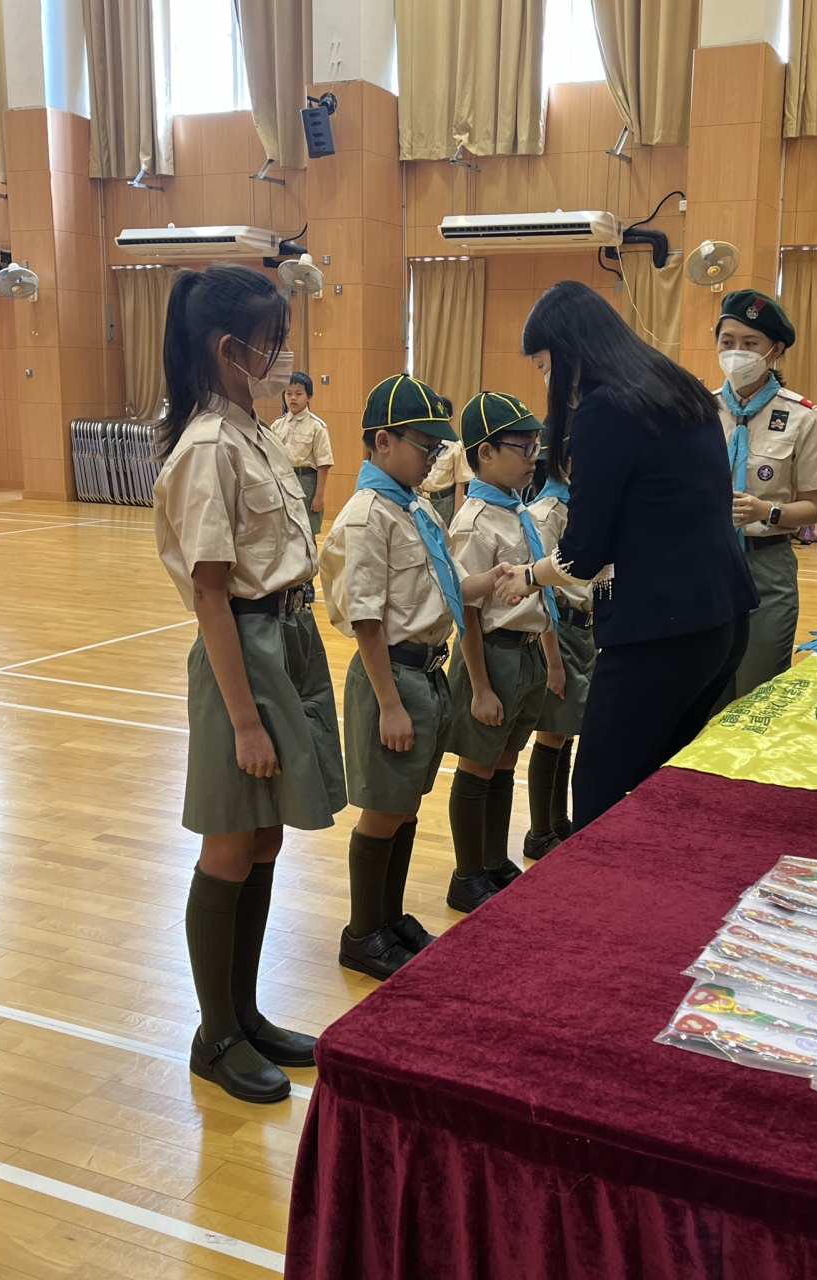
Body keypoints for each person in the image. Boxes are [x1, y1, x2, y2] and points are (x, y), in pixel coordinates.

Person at [153, 264, 346, 1105]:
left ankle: (246, 1012)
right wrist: (243, 721)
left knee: (266, 837)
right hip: (243, 650)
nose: (285, 354)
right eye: (276, 339)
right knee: (230, 844)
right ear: (232, 348)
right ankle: (216, 1035)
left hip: (284, 640)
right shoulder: (207, 448)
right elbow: (209, 593)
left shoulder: (254, 432)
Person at [497, 280, 758, 831]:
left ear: (568, 351)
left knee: (598, 792)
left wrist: (528, 575)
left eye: (544, 366)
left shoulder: (605, 408)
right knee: (665, 785)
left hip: (658, 629)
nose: (547, 380)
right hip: (721, 618)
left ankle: (603, 889)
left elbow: (583, 553)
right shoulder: (676, 386)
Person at [319, 375, 513, 979]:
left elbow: (448, 586)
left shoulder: (417, 506)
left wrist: (499, 579)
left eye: (437, 448)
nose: (434, 458)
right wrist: (388, 704)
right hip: (394, 678)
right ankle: (362, 933)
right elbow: (367, 620)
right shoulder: (365, 517)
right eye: (425, 446)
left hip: (427, 675)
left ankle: (390, 918)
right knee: (382, 811)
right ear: (383, 441)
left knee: (405, 807)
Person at [446, 392, 553, 912]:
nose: (534, 457)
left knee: (505, 761)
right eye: (522, 447)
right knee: (477, 766)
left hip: (525, 652)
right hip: (491, 654)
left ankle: (492, 860)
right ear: (485, 453)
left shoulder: (516, 510)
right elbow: (466, 610)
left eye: (536, 446)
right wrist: (480, 686)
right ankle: (467, 874)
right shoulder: (474, 521)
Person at [714, 290, 817, 701]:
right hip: (707, 565)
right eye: (727, 342)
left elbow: (814, 506)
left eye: (750, 343)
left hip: (767, 566)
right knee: (706, 694)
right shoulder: (700, 410)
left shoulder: (802, 416)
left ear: (775, 350)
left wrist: (768, 510)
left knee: (757, 690)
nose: (737, 353)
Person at [523, 443, 594, 859]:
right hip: (560, 629)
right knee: (551, 732)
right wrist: (553, 661)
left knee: (565, 731)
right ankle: (539, 831)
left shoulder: (577, 506)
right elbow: (544, 592)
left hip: (582, 629)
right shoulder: (547, 513)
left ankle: (557, 820)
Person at [269, 371, 333, 537]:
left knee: (307, 533)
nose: (293, 398)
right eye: (288, 393)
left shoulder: (317, 426)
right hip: (282, 481)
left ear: (309, 397)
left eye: (298, 394)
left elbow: (323, 464)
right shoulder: (276, 425)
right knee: (284, 532)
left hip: (306, 483)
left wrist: (319, 496)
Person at [419, 401, 473, 526]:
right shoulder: (423, 441)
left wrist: (456, 515)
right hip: (422, 498)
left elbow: (460, 483)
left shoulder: (455, 446)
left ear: (450, 420)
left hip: (444, 503)